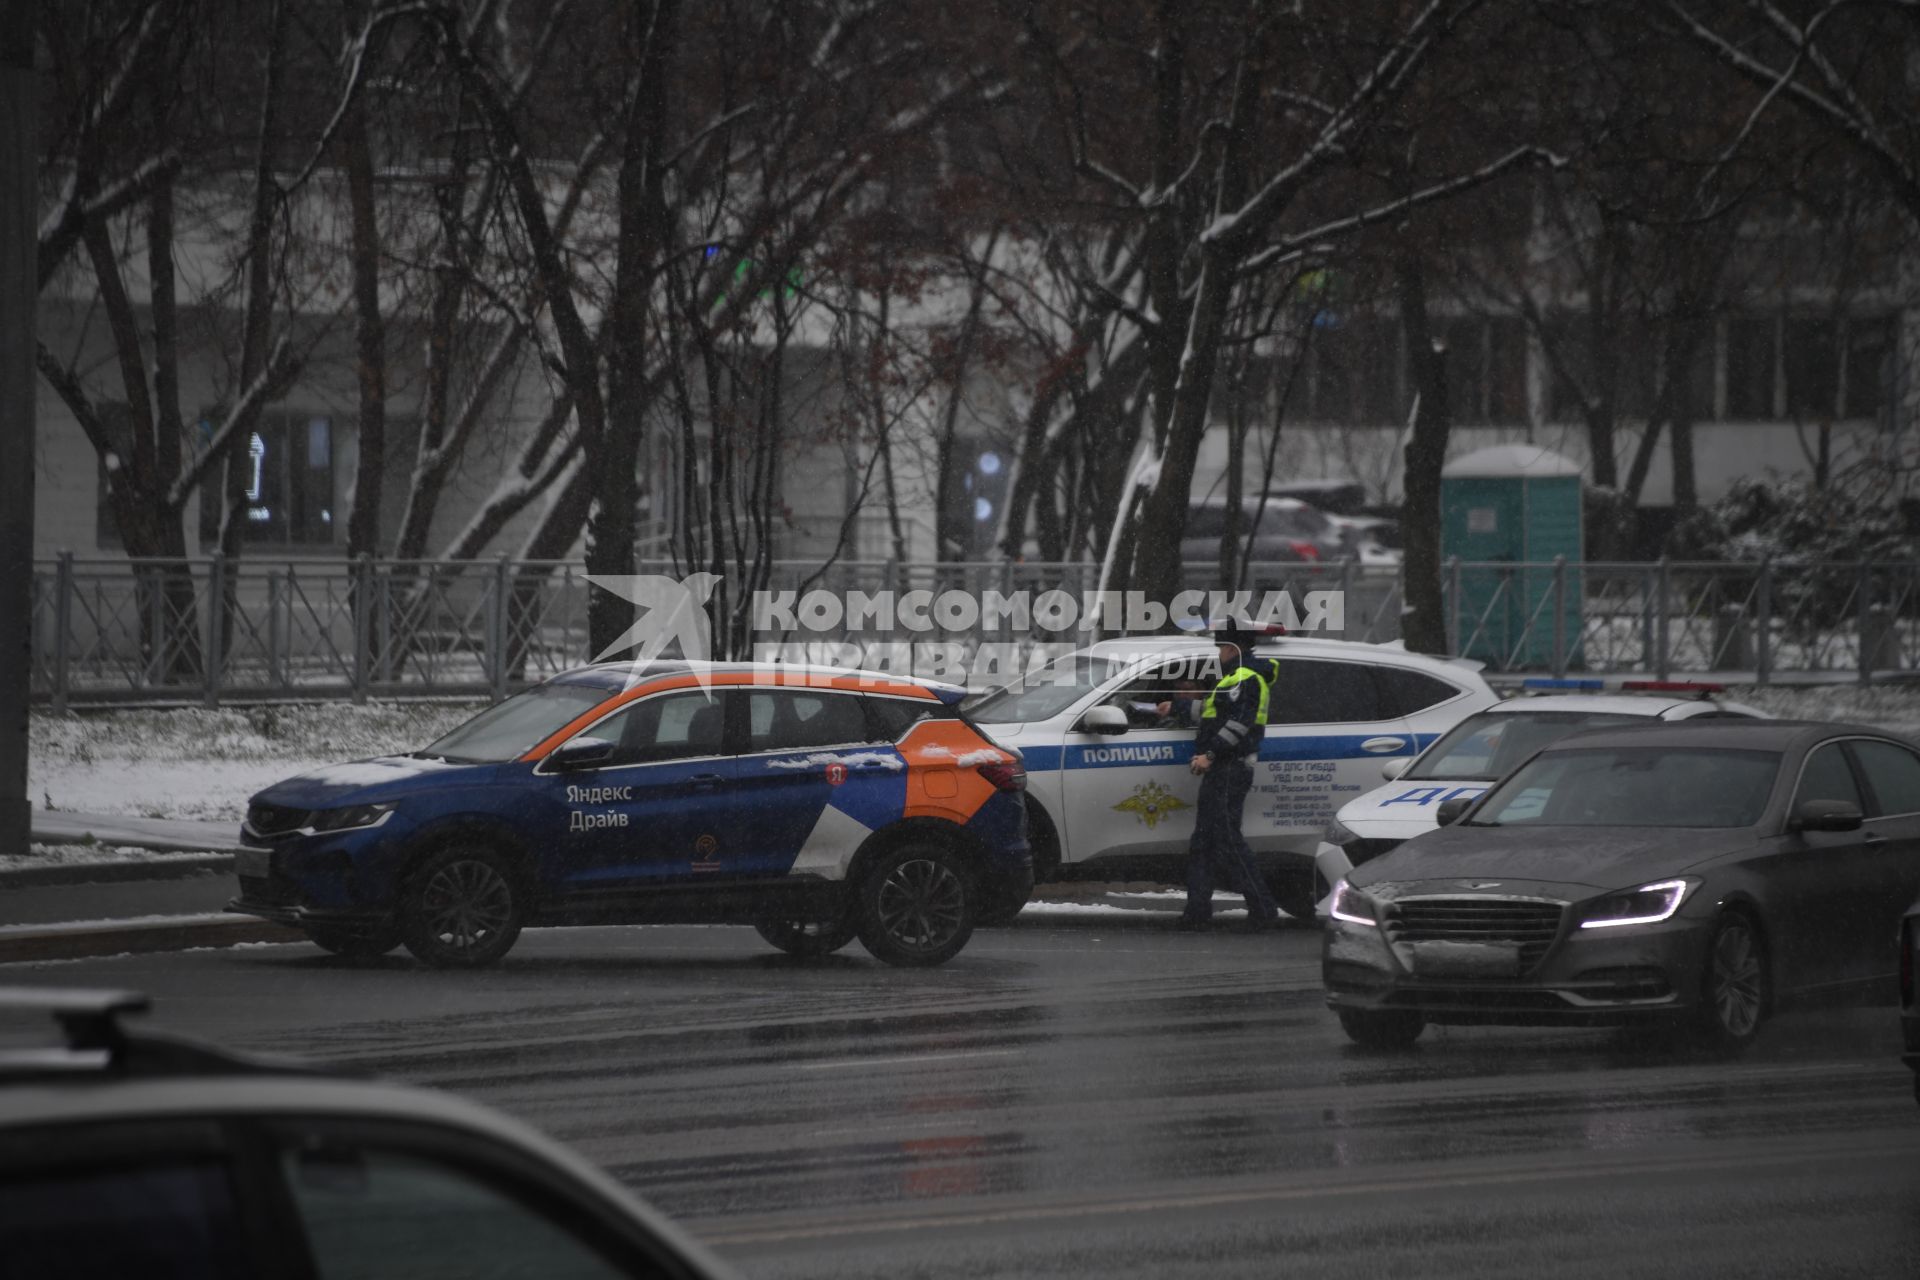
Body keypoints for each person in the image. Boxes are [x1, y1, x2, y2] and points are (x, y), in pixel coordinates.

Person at [1176, 625, 1282, 932]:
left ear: (1233, 649)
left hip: (1229, 768)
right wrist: (1178, 707)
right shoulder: (1235, 678)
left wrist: (1210, 755)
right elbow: (1216, 713)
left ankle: (1263, 909)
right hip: (1225, 768)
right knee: (1205, 841)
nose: (1218, 654)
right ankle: (1197, 911)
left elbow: (1238, 725)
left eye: (1221, 648)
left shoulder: (1247, 678)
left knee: (1226, 840)